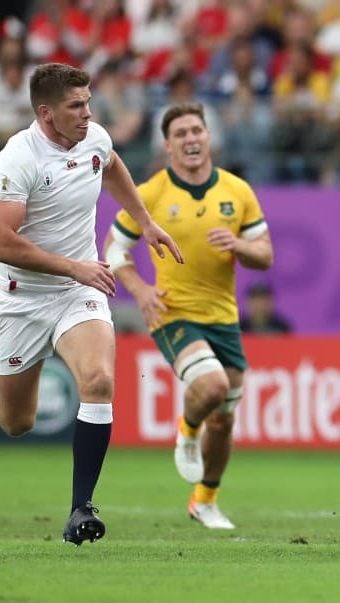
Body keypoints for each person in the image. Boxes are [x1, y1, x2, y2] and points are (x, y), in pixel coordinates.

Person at [0, 63, 183, 546]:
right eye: (75, 106)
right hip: (23, 299)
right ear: (46, 113)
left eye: (87, 103)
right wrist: (75, 266)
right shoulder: (17, 160)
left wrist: (144, 222)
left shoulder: (93, 138)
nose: (87, 114)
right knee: (18, 423)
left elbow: (114, 164)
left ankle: (81, 508)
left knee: (99, 381)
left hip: (79, 291)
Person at [102, 102, 273, 530]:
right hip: (172, 312)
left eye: (196, 130)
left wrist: (239, 247)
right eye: (180, 134)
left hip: (224, 316)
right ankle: (187, 427)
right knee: (211, 387)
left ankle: (205, 500)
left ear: (208, 136)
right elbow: (115, 250)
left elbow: (265, 255)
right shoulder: (152, 193)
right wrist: (139, 291)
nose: (191, 139)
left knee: (226, 415)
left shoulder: (237, 191)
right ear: (168, 145)